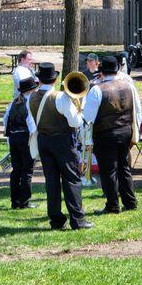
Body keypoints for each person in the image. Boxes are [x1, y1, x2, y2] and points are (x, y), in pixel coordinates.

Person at [27, 62, 93, 230]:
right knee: (72, 179)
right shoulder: (60, 97)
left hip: (44, 141)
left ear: (39, 80)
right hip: (62, 141)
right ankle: (78, 220)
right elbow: (75, 122)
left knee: (51, 181)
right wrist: (79, 108)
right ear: (55, 79)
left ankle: (56, 220)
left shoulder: (32, 97)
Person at [82, 56, 142, 214]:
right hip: (126, 131)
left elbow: (88, 118)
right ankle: (130, 202)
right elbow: (138, 111)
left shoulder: (97, 89)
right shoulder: (130, 86)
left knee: (108, 170)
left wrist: (85, 138)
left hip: (105, 134)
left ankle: (113, 205)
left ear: (102, 70)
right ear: (117, 69)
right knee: (124, 167)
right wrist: (134, 132)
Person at [2, 77, 38, 209]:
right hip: (25, 138)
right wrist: (34, 140)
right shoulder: (30, 103)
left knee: (16, 170)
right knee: (27, 170)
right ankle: (25, 201)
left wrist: (9, 135)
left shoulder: (13, 102)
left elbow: (5, 120)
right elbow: (32, 125)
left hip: (13, 137)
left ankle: (14, 201)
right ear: (32, 90)